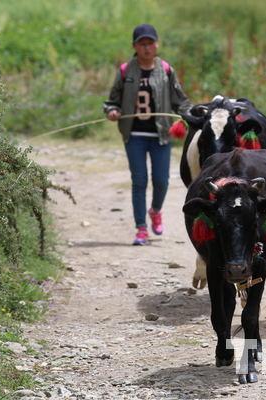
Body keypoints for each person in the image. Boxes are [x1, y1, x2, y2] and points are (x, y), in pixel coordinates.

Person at [104, 24, 191, 245]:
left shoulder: (166, 70)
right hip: (134, 135)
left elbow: (180, 101)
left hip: (161, 135)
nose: (146, 48)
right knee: (139, 180)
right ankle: (141, 229)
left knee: (161, 181)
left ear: (156, 44)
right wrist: (112, 111)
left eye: (150, 43)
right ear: (134, 46)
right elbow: (112, 101)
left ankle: (156, 210)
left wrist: (189, 115)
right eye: (142, 44)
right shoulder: (126, 71)